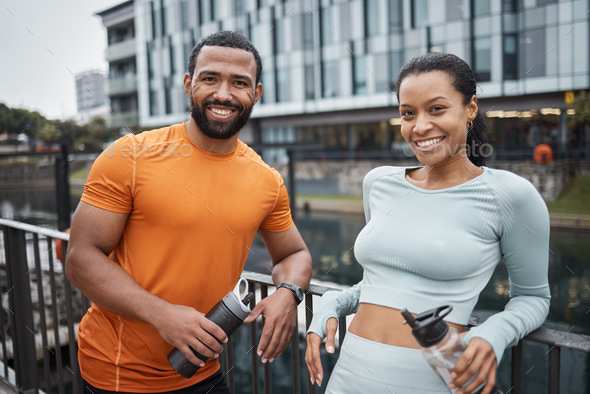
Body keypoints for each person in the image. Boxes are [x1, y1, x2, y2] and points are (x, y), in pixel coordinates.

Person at [66, 31, 312, 393]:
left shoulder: (267, 180)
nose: (223, 94)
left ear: (256, 93)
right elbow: (80, 258)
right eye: (210, 78)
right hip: (118, 375)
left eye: (239, 82)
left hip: (201, 369)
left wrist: (288, 292)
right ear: (188, 84)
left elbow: (295, 253)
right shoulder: (128, 156)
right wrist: (161, 314)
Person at [305, 52, 551, 394]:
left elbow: (534, 298)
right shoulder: (378, 183)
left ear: (470, 108)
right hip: (347, 378)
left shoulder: (510, 196)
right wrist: (334, 301)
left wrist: (493, 333)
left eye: (436, 109)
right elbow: (382, 282)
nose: (419, 127)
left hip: (434, 383)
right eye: (408, 113)